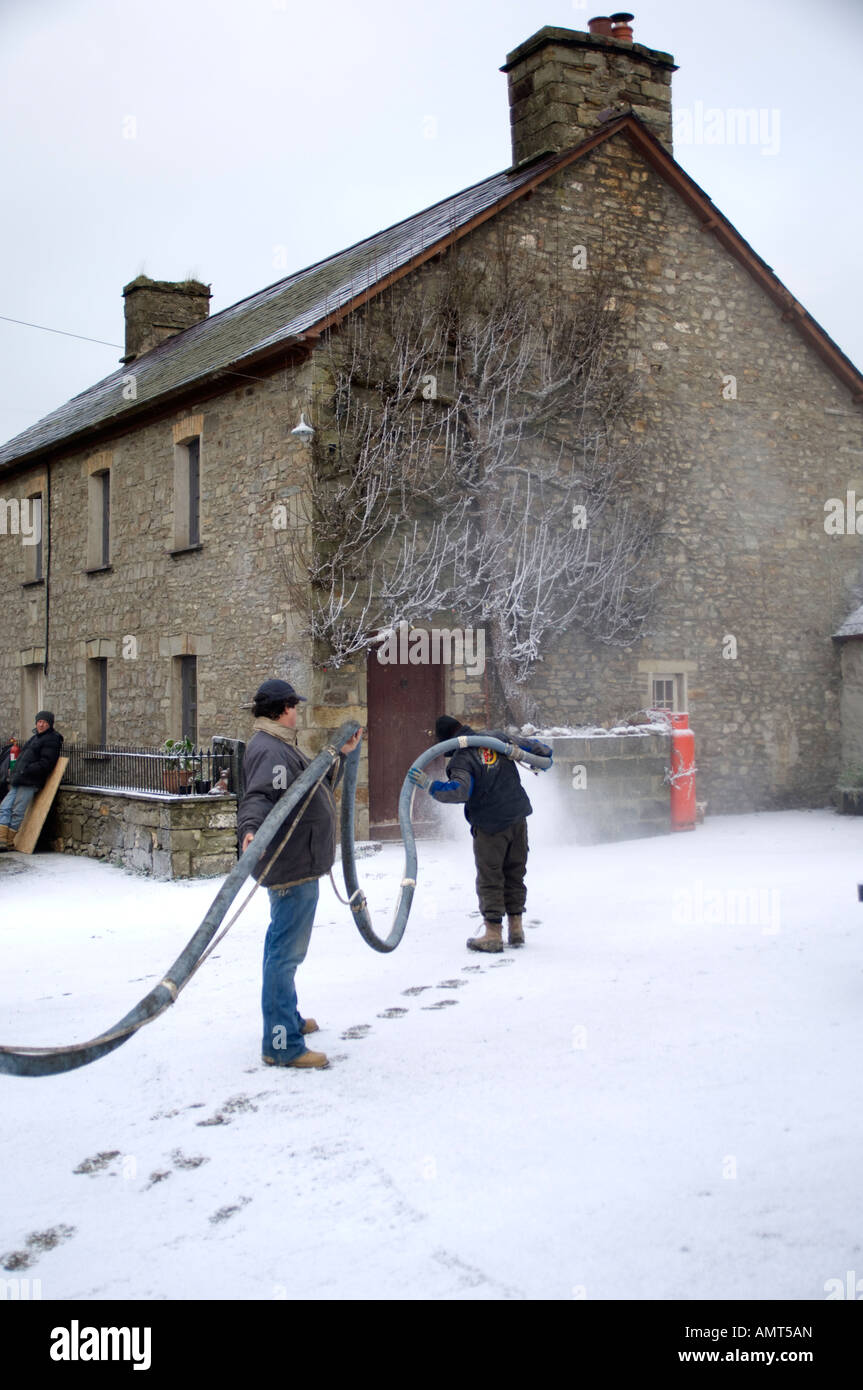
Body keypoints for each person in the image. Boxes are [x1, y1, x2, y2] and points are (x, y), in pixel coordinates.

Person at [237, 678, 362, 1070]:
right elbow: (259, 796)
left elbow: (312, 786)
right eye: (293, 706)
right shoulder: (270, 750)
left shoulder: (280, 747)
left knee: (284, 949)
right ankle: (280, 1044)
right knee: (284, 955)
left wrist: (339, 755)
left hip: (299, 861)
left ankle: (287, 1020)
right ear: (280, 710)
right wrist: (251, 830)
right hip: (291, 866)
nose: (297, 712)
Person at [409, 714, 552, 953]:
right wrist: (543, 756)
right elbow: (538, 750)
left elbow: (459, 791)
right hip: (518, 818)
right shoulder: (496, 738)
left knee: (491, 877)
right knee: (515, 873)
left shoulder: (462, 759)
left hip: (490, 826)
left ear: (445, 740)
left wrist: (430, 785)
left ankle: (493, 934)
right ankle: (516, 929)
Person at [0, 713, 64, 852]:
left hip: (30, 781)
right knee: (5, 807)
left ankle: (9, 842)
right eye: (39, 721)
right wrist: (17, 771)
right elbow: (23, 757)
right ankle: (2, 840)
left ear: (50, 724)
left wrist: (26, 770)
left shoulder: (52, 740)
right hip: (20, 779)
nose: (41, 724)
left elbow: (46, 763)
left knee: (17, 811)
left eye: (44, 722)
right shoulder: (35, 738)